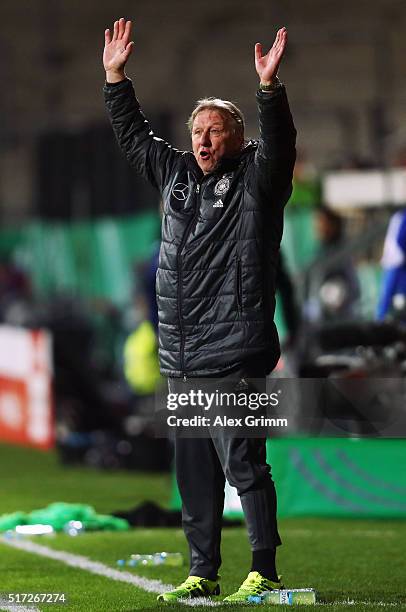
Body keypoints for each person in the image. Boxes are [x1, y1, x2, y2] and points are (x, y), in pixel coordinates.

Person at [103, 18, 296, 603]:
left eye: (216, 130)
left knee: (244, 466)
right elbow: (136, 136)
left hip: (235, 350)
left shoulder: (257, 179)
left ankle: (263, 568)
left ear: (237, 137)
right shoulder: (178, 175)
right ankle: (202, 570)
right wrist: (116, 79)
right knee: (194, 474)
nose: (205, 140)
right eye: (197, 131)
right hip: (182, 355)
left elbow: (281, 141)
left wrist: (268, 91)